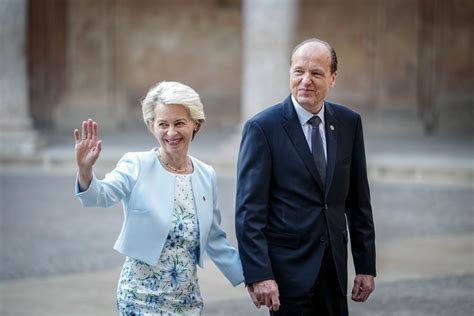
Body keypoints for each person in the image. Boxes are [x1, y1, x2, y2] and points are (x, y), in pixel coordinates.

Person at [74, 81, 243, 315]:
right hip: (140, 298)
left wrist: (255, 277)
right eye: (163, 124)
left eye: (179, 123)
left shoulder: (206, 174)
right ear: (152, 126)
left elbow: (214, 238)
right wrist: (85, 171)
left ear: (196, 123)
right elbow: (99, 196)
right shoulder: (137, 164)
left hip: (188, 301)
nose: (171, 132)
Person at [235, 38, 376, 315]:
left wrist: (365, 266)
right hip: (287, 275)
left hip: (333, 271)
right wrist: (259, 274)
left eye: (317, 73)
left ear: (333, 78)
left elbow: (359, 202)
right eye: (299, 71)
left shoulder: (349, 123)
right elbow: (249, 212)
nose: (305, 81)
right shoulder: (263, 128)